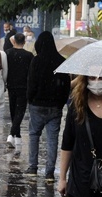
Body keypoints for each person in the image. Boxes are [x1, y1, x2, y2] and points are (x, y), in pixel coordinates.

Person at [25, 31, 71, 181]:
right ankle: (49, 173)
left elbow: (31, 83)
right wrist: (61, 102)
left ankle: (33, 168)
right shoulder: (61, 61)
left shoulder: (36, 61)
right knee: (52, 139)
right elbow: (66, 86)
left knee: (34, 135)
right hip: (55, 107)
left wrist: (30, 99)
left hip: (37, 104)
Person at [5, 33, 33, 148]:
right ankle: (16, 135)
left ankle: (14, 135)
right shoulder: (29, 56)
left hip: (11, 85)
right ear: (24, 42)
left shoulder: (8, 53)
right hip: (24, 86)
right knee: (19, 111)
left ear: (14, 41)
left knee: (13, 110)